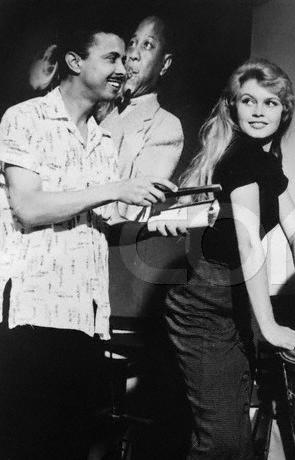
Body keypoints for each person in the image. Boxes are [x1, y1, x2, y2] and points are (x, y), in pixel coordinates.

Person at [0, 24, 176, 459]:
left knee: (73, 446)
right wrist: (115, 188)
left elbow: (103, 221)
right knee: (26, 445)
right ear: (75, 62)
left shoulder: (100, 141)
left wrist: (163, 218)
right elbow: (29, 207)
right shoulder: (24, 118)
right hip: (32, 314)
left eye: (124, 59)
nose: (124, 68)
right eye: (111, 58)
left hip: (87, 318)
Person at [148, 58, 295, 459]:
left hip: (234, 301)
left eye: (270, 102)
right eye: (249, 101)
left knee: (236, 440)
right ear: (233, 107)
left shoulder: (265, 162)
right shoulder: (243, 157)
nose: (259, 111)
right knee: (222, 442)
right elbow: (248, 243)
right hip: (203, 305)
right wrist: (269, 326)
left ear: (284, 112)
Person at [101, 15, 183, 218]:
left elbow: (131, 212)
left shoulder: (167, 126)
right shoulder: (99, 105)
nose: (133, 55)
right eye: (132, 43)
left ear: (164, 64)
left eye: (147, 45)